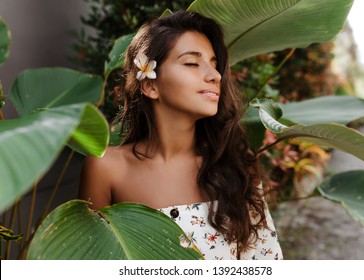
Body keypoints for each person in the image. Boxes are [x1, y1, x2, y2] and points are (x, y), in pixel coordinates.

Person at [79, 10, 282, 260]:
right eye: (192, 63)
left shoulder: (236, 166)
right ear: (150, 85)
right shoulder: (106, 169)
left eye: (214, 65)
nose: (215, 76)